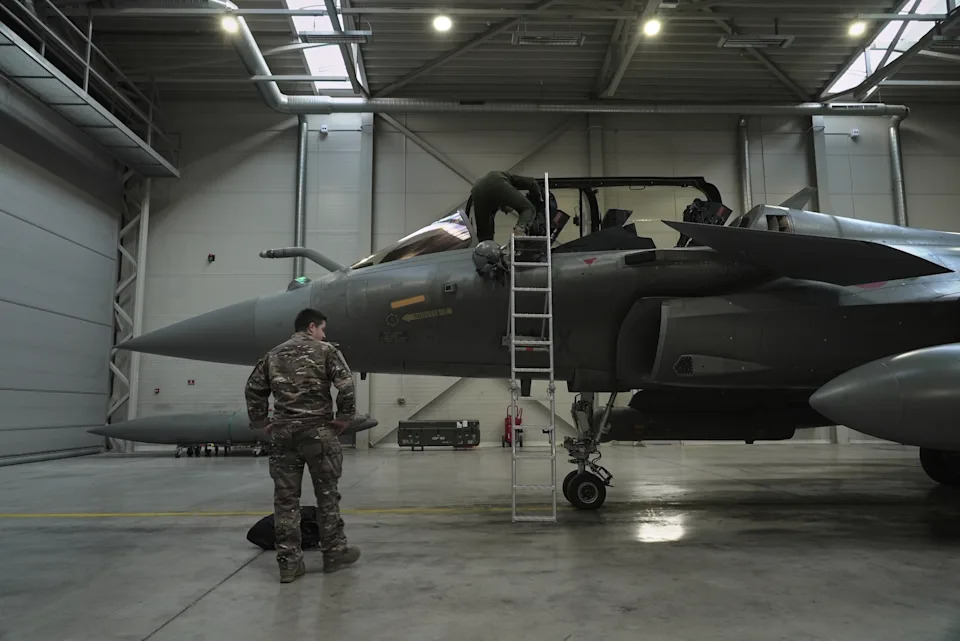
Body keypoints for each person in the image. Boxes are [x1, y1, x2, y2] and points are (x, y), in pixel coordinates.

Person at [244, 308, 360, 583]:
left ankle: (289, 564)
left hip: (283, 436)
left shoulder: (273, 354)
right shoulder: (326, 351)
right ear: (311, 327)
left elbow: (253, 388)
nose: (324, 335)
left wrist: (262, 421)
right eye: (322, 329)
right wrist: (344, 418)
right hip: (318, 433)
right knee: (327, 496)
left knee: (286, 501)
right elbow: (346, 385)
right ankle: (333, 554)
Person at [470, 170, 543, 241]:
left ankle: (485, 247)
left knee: (484, 236)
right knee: (528, 208)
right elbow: (532, 182)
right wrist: (539, 200)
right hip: (495, 180)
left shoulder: (492, 203)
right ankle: (519, 231)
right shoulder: (511, 179)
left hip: (476, 190)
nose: (506, 213)